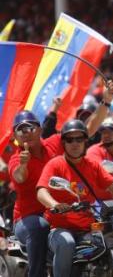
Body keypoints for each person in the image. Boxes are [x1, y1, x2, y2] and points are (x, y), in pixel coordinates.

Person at [36, 120, 113, 277]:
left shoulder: (93, 165)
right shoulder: (55, 164)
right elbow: (41, 191)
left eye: (79, 139)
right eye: (70, 140)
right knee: (67, 243)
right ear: (64, 143)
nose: (75, 144)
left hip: (89, 226)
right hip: (60, 227)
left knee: (109, 240)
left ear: (85, 141)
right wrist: (56, 204)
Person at [8, 111, 54, 277]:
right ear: (15, 136)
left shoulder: (53, 144)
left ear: (40, 129)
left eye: (30, 128)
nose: (26, 133)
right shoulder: (16, 159)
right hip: (27, 219)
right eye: (21, 130)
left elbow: (87, 131)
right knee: (39, 226)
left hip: (58, 212)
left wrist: (105, 103)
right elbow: (19, 177)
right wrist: (23, 165)